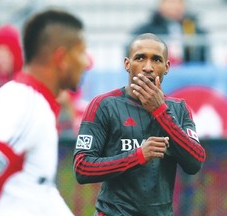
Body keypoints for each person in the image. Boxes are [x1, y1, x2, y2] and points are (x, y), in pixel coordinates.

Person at [0, 8, 88, 216]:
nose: (86, 61)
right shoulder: (26, 107)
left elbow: (38, 190)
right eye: (80, 52)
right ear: (61, 57)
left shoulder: (32, 103)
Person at [73, 33, 206, 215]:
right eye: (140, 58)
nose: (148, 67)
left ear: (166, 67)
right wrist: (139, 156)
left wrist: (160, 111)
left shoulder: (179, 109)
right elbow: (82, 168)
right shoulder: (104, 105)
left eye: (156, 60)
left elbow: (195, 162)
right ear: (127, 64)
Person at [131, 0, 207, 65]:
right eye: (169, 2)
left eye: (178, 2)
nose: (174, 6)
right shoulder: (146, 29)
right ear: (161, 4)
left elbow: (201, 59)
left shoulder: (194, 29)